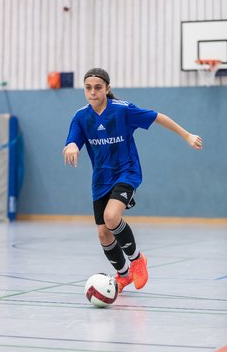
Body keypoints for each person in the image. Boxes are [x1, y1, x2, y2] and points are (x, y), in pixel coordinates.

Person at [62, 68, 202, 293]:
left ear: (107, 89)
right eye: (88, 88)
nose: (93, 92)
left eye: (98, 87)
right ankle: (124, 275)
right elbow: (73, 141)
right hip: (100, 179)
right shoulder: (81, 117)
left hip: (126, 173)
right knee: (103, 233)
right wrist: (70, 146)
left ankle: (137, 260)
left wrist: (186, 135)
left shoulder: (123, 110)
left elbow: (158, 117)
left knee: (111, 216)